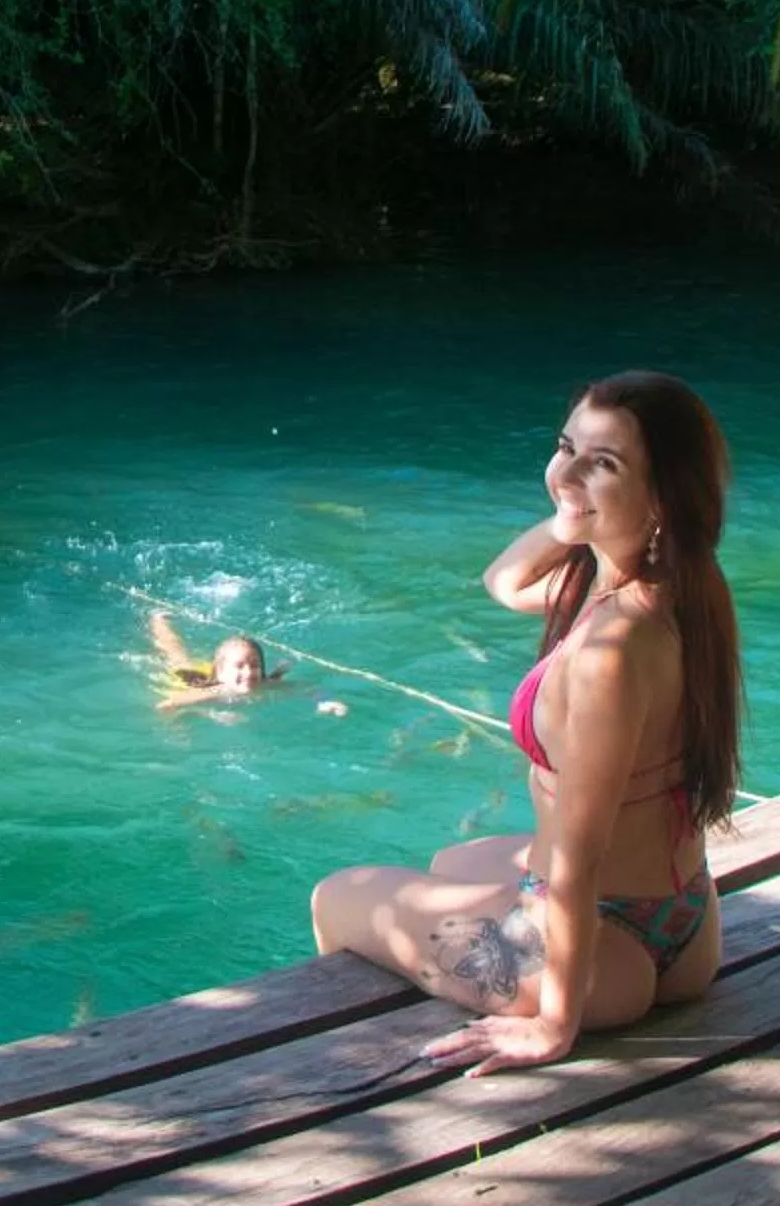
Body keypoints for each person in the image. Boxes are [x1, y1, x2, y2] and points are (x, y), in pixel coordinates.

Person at [311, 370, 740, 1075]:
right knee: (452, 862)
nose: (565, 472)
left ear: (662, 495)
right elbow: (504, 582)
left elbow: (580, 859)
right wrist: (575, 509)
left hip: (598, 961)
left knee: (338, 895)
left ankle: (351, 1082)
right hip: (685, 924)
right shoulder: (680, 585)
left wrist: (553, 1026)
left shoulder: (611, 653)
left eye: (603, 464)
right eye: (564, 447)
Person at [148, 609, 285, 702]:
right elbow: (167, 705)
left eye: (255, 665)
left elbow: (300, 689)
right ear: (220, 674)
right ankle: (159, 621)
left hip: (217, 670)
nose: (248, 672)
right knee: (177, 656)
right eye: (239, 666)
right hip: (193, 679)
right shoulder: (210, 693)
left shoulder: (264, 684)